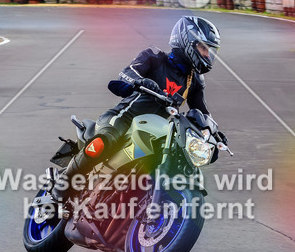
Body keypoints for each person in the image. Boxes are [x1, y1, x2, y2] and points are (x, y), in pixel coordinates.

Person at [56, 15, 225, 198]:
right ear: (187, 41)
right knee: (102, 143)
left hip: (153, 131)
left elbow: (201, 112)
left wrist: (213, 132)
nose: (207, 54)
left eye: (209, 50)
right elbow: (127, 74)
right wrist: (140, 81)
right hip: (123, 118)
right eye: (203, 48)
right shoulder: (154, 57)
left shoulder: (195, 81)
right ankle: (62, 185)